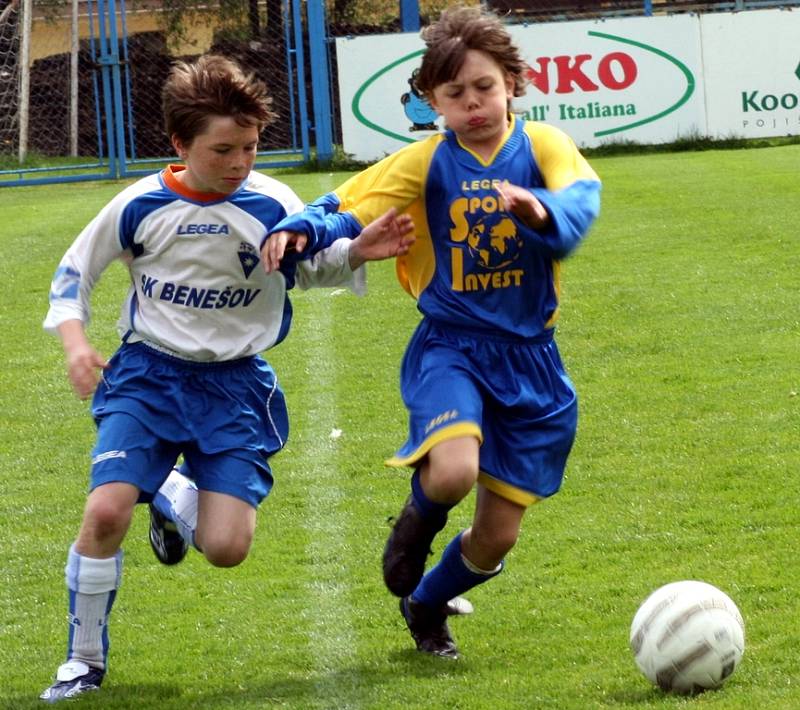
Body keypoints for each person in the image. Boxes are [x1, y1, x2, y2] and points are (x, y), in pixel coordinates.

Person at [39, 54, 414, 702]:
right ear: (181, 145)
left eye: (249, 146)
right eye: (222, 150)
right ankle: (82, 661)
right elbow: (74, 275)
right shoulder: (140, 205)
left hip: (235, 387)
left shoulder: (272, 203)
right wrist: (76, 345)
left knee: (226, 547)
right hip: (148, 375)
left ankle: (168, 492)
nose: (239, 162)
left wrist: (355, 251)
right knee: (105, 511)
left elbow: (308, 267)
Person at [262, 6, 601, 659]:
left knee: (497, 538)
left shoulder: (545, 146)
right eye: (455, 95)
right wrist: (302, 227)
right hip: (453, 348)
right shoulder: (426, 161)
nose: (473, 104)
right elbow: (348, 203)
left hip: (533, 363)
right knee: (452, 472)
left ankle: (424, 604)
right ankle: (413, 530)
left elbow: (582, 201)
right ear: (431, 102)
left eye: (484, 88)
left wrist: (542, 209)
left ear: (513, 83)